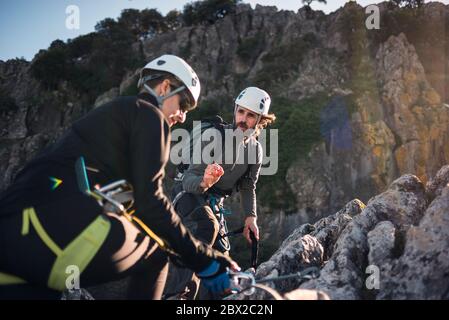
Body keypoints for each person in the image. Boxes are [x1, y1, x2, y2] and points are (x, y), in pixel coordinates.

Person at [0, 54, 239, 300]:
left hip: (12, 233)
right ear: (165, 87)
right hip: (49, 232)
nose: (182, 116)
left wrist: (184, 248)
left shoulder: (112, 119)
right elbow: (151, 203)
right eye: (183, 104)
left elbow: (134, 208)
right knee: (156, 257)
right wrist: (204, 260)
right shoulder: (149, 115)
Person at [167, 87, 276, 299]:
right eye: (240, 112)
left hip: (213, 203)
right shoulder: (213, 136)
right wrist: (205, 181)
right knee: (206, 227)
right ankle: (176, 295)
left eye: (250, 115)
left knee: (223, 262)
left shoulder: (255, 150)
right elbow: (189, 180)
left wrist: (250, 218)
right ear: (235, 110)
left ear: (260, 120)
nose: (243, 119)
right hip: (187, 192)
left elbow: (248, 186)